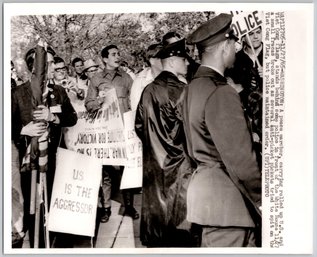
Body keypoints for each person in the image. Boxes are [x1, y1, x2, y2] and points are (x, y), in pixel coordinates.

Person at [183, 13, 262, 247]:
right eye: (233, 44)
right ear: (224, 47)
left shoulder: (192, 87)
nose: (236, 50)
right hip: (230, 203)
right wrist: (262, 198)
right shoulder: (222, 91)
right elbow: (241, 160)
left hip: (208, 198)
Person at [12, 39, 78, 247]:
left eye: (50, 63)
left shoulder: (58, 91)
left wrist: (53, 117)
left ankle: (61, 246)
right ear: (35, 67)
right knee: (36, 209)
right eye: (47, 64)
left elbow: (71, 118)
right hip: (31, 162)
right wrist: (23, 130)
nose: (51, 67)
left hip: (58, 159)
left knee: (59, 208)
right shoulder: (17, 93)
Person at [135, 38, 194, 247]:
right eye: (183, 59)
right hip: (180, 161)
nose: (187, 63)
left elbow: (139, 126)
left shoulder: (148, 89)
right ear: (171, 62)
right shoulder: (183, 90)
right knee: (180, 212)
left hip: (153, 161)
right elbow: (191, 127)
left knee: (156, 210)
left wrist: (154, 145)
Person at [85, 44, 138, 223]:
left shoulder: (127, 78)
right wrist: (99, 102)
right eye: (113, 54)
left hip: (125, 130)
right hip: (106, 133)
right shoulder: (96, 79)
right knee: (105, 172)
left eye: (118, 54)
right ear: (105, 59)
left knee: (127, 170)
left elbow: (135, 101)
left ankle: (129, 206)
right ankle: (106, 208)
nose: (118, 57)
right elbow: (88, 104)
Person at [226, 26, 263, 166]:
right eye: (251, 33)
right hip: (247, 119)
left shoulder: (273, 53)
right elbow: (231, 87)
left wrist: (271, 75)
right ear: (242, 37)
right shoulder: (236, 60)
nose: (255, 37)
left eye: (258, 32)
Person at [130, 43, 163, 111]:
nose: (166, 61)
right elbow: (136, 109)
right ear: (152, 61)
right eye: (162, 58)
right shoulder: (140, 81)